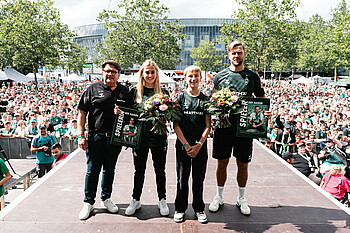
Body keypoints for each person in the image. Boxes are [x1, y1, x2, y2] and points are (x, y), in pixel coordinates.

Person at [208, 41, 268, 216]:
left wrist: (266, 111)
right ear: (228, 55)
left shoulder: (252, 77)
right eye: (233, 53)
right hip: (223, 127)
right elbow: (213, 100)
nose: (236, 56)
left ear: (244, 54)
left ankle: (241, 198)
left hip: (245, 129)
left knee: (243, 164)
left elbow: (261, 98)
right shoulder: (220, 77)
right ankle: (219, 196)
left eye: (239, 53)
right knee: (222, 162)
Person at [77, 60, 131, 220]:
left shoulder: (125, 91)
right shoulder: (92, 89)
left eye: (113, 72)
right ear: (102, 73)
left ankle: (106, 198)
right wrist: (81, 135)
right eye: (107, 71)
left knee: (109, 170)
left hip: (115, 138)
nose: (110, 74)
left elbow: (130, 115)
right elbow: (81, 113)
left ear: (118, 75)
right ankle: (88, 202)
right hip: (96, 137)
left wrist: (123, 113)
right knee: (92, 170)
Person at [125, 60, 169, 216]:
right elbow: (126, 114)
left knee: (160, 170)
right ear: (142, 74)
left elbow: (169, 114)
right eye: (147, 72)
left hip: (158, 137)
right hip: (139, 139)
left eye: (152, 72)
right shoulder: (133, 93)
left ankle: (162, 199)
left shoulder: (164, 92)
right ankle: (135, 199)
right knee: (139, 170)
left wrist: (165, 119)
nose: (150, 75)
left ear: (156, 73)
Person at [173, 65, 211, 223]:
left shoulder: (206, 100)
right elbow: (176, 125)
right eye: (190, 76)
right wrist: (187, 145)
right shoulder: (180, 99)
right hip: (183, 146)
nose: (193, 78)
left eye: (196, 76)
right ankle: (180, 208)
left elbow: (208, 126)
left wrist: (199, 145)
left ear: (200, 78)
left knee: (198, 179)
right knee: (182, 179)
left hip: (200, 147)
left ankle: (199, 208)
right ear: (185, 78)